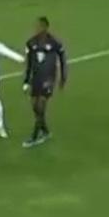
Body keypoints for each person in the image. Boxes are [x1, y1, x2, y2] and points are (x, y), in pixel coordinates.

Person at [21, 16, 68, 148]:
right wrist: (26, 81)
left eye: (40, 26)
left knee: (41, 106)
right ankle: (45, 131)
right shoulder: (31, 43)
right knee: (35, 107)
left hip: (48, 78)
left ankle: (34, 137)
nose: (37, 28)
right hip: (36, 78)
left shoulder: (54, 42)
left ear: (46, 27)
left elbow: (62, 60)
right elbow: (29, 63)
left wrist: (63, 78)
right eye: (36, 26)